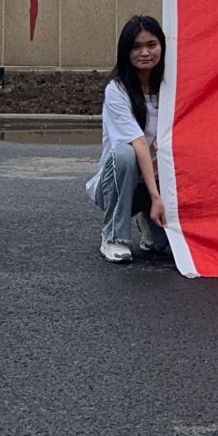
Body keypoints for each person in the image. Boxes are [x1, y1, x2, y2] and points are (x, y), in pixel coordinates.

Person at [90, 15, 169, 263]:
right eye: (136, 47)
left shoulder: (171, 86)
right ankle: (114, 236)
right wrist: (156, 197)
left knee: (161, 247)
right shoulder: (117, 90)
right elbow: (139, 143)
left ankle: (148, 221)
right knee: (125, 153)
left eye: (151, 45)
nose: (145, 53)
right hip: (121, 184)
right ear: (125, 51)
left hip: (160, 178)